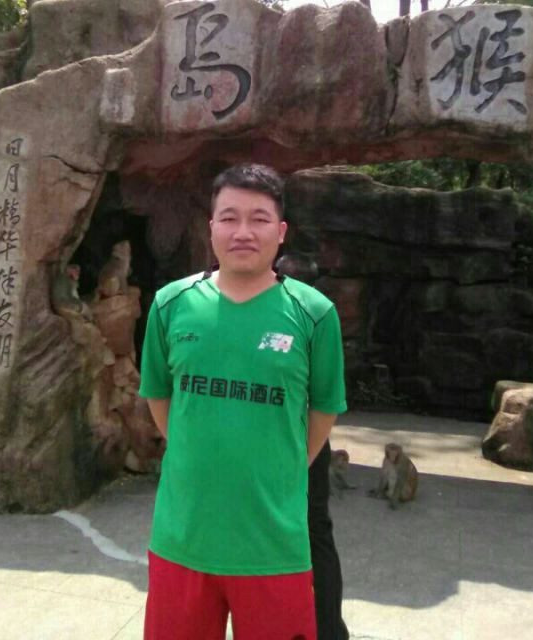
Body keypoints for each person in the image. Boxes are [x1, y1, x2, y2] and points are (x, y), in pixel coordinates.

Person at [139, 164, 347, 640]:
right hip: (182, 538)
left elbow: (323, 408)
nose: (243, 232)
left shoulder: (315, 315)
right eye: (229, 218)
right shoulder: (171, 304)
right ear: (211, 227)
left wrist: (284, 464)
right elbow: (159, 395)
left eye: (259, 219)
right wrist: (196, 446)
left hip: (274, 545)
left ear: (281, 231)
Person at [276, 254, 351, 640]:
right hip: (307, 441)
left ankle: (325, 628)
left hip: (296, 441)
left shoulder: (303, 319)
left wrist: (301, 459)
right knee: (315, 531)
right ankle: (327, 628)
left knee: (310, 530)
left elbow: (323, 401)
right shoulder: (319, 318)